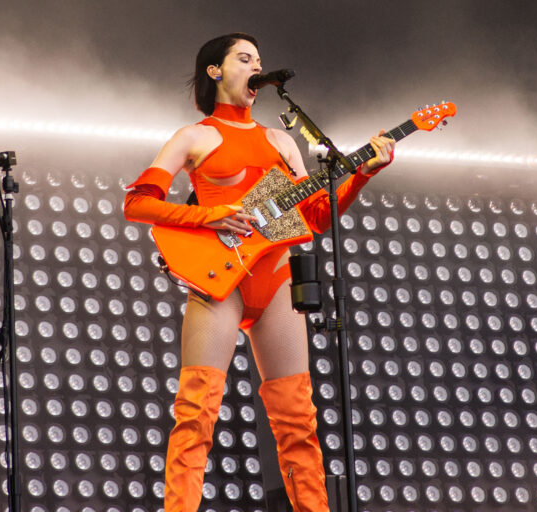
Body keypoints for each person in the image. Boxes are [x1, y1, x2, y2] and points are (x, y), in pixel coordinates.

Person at [122, 33, 395, 512]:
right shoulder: (194, 136)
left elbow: (313, 216)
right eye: (244, 58)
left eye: (259, 60)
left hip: (277, 279)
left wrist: (363, 173)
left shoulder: (280, 140)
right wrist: (209, 216)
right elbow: (137, 203)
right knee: (197, 411)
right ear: (215, 71)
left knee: (297, 419)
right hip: (219, 281)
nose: (256, 67)